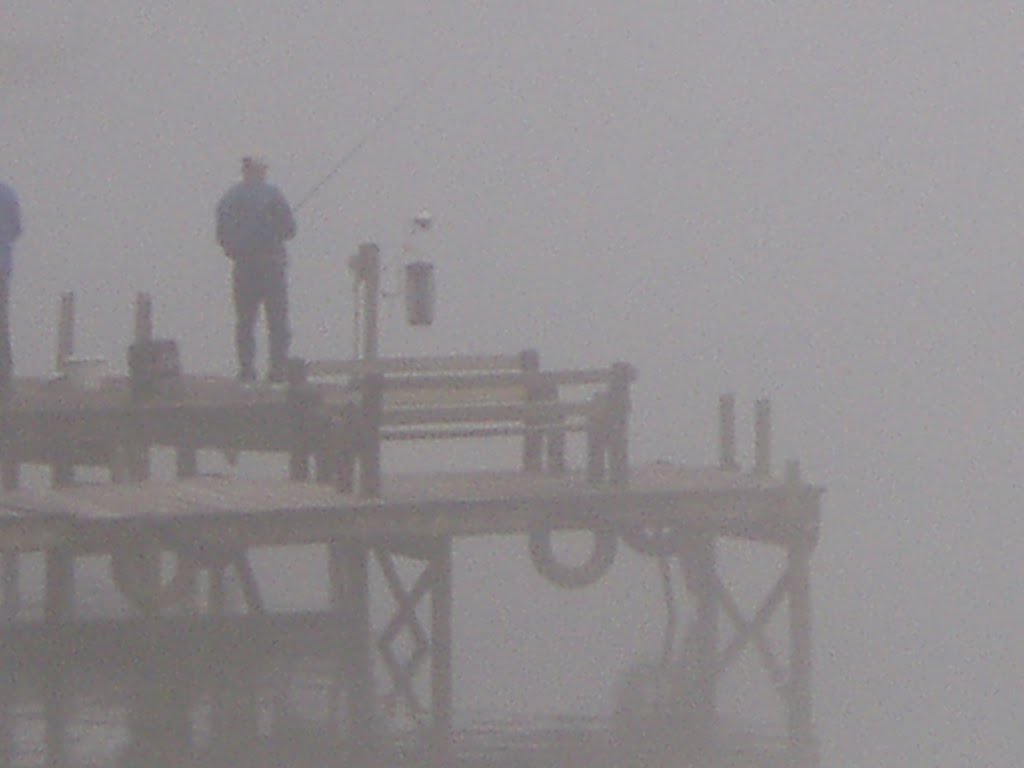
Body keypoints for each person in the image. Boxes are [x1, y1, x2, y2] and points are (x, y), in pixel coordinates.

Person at [216, 155, 296, 383]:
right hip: (271, 263)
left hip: (243, 265)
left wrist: (235, 248)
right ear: (259, 171)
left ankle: (247, 370)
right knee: (277, 320)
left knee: (245, 320)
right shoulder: (273, 195)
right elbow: (289, 230)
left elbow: (222, 235)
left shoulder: (229, 199)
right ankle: (277, 370)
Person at [0, 180, 21, 397]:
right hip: (2, 268)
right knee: (1, 323)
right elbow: (16, 230)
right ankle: (4, 379)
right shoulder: (7, 193)